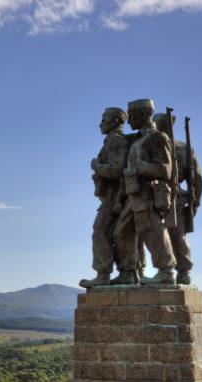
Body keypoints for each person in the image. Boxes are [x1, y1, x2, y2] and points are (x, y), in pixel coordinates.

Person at [112, 99, 177, 285]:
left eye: (131, 115)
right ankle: (129, 272)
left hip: (148, 194)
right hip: (133, 194)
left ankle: (166, 271)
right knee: (121, 232)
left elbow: (165, 170)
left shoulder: (157, 137)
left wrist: (139, 167)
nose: (129, 120)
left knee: (152, 231)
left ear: (141, 115)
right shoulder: (138, 138)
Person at [80, 108, 129, 288]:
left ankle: (103, 275)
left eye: (104, 119)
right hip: (110, 196)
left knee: (100, 231)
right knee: (110, 233)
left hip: (114, 196)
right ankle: (114, 273)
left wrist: (97, 166)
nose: (100, 124)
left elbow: (117, 169)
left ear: (116, 121)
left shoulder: (116, 140)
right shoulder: (110, 140)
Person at [153, 112, 202, 284]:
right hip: (160, 195)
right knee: (172, 235)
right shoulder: (179, 147)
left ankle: (183, 271)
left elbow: (196, 177)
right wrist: (196, 200)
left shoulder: (173, 147)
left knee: (176, 234)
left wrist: (195, 201)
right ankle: (179, 271)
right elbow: (198, 178)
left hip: (169, 196)